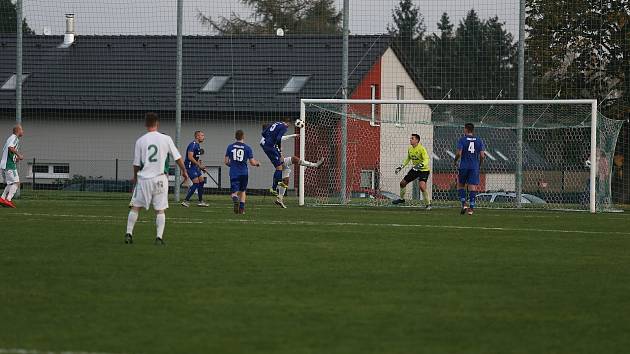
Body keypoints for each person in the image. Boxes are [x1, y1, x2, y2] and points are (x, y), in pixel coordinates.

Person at [125, 112, 188, 245]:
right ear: (157, 123)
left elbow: (136, 164)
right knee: (160, 209)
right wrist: (184, 171)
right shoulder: (166, 139)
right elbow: (178, 157)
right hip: (160, 178)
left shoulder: (140, 141)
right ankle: (159, 238)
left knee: (135, 207)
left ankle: (129, 233)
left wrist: (135, 178)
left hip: (144, 179)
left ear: (145, 124)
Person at [260, 118, 323, 200]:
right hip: (277, 158)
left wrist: (293, 135)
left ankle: (280, 198)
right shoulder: (266, 139)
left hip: (277, 157)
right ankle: (314, 165)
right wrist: (279, 152)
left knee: (286, 179)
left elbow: (281, 138)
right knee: (294, 159)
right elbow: (279, 139)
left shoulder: (269, 136)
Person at [392, 134, 432, 209]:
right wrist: (400, 167)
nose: (410, 140)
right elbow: (408, 159)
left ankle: (428, 204)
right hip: (415, 169)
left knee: (422, 187)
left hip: (424, 170)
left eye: (412, 138)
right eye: (410, 138)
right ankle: (402, 199)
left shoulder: (422, 149)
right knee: (402, 183)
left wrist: (420, 165)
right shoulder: (410, 149)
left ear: (417, 140)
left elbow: (426, 159)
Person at [225, 129, 260, 214]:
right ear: (243, 136)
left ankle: (235, 198)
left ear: (235, 137)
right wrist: (257, 163)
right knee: (243, 190)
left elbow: (226, 161)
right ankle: (241, 209)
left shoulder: (230, 147)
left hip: (234, 172)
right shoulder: (247, 148)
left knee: (234, 192)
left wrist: (233, 165)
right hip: (244, 172)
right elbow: (252, 162)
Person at [453, 123, 485, 215]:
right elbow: (482, 155)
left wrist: (455, 161)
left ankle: (463, 203)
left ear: (466, 129)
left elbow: (459, 153)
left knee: (460, 184)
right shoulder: (479, 140)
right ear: (473, 130)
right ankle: (471, 209)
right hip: (474, 166)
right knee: (472, 186)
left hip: (464, 166)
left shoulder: (462, 140)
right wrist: (479, 164)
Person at [181, 130, 209, 207]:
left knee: (202, 181)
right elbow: (190, 157)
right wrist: (199, 166)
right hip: (190, 167)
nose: (203, 137)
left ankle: (200, 201)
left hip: (194, 166)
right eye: (202, 135)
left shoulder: (198, 145)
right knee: (196, 183)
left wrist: (201, 167)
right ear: (197, 136)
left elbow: (196, 159)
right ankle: (185, 201)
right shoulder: (193, 145)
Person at [0, 125, 24, 208]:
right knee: (17, 183)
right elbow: (10, 148)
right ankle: (8, 200)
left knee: (10, 183)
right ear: (18, 130)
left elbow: (6, 150)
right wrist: (19, 155)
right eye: (22, 130)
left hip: (5, 164)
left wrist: (15, 158)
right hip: (9, 164)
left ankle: (2, 198)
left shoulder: (10, 138)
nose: (23, 131)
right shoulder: (14, 138)